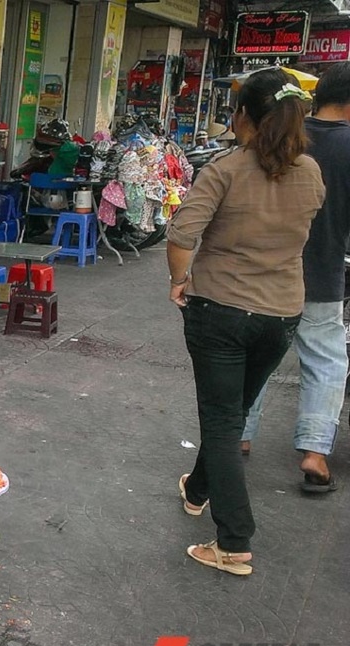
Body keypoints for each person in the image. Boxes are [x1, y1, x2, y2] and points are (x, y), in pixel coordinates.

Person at [166, 69, 325, 576]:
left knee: (222, 421)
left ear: (244, 117)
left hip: (221, 310)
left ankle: (234, 541)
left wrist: (178, 279)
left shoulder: (225, 169)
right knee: (232, 410)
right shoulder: (310, 173)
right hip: (281, 314)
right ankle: (197, 491)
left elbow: (183, 233)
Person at [240, 62, 350, 491]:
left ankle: (241, 436)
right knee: (324, 359)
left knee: (258, 355)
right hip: (323, 272)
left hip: (264, 271)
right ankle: (315, 454)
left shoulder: (285, 135)